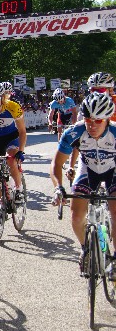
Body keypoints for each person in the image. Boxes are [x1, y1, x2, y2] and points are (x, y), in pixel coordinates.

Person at [50, 93, 116, 279]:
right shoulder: (74, 132)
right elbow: (56, 164)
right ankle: (85, 248)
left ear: (108, 119)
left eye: (98, 120)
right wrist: (58, 188)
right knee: (77, 215)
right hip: (88, 169)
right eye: (88, 119)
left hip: (113, 170)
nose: (92, 125)